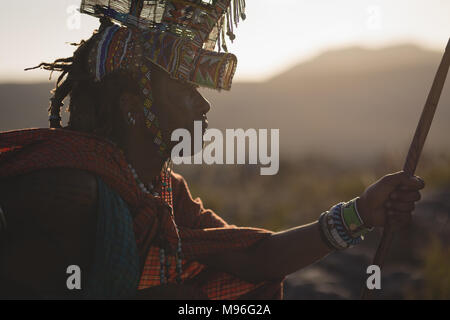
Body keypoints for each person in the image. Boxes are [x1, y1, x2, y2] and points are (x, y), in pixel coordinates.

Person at [0, 0, 424, 299]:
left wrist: (362, 213)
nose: (202, 105)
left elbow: (256, 257)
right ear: (133, 105)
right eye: (184, 90)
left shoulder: (164, 192)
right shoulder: (65, 191)